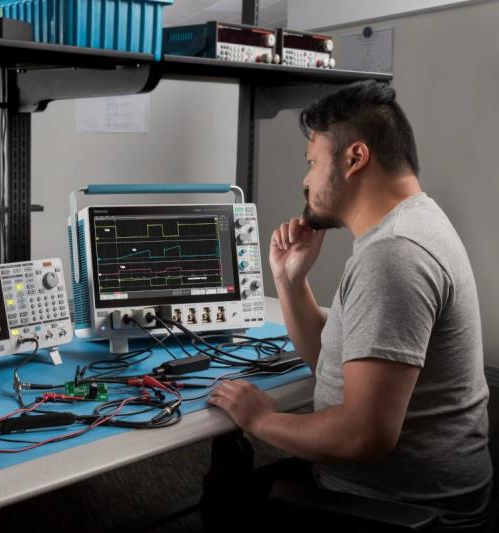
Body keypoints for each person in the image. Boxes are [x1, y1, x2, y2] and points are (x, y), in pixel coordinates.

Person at [202, 80, 492, 531]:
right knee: (233, 481)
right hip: (410, 496)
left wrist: (262, 419)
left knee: (223, 500)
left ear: (355, 158)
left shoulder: (394, 254)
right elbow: (337, 360)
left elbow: (363, 436)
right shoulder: (416, 223)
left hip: (396, 512)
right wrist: (291, 282)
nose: (305, 180)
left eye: (312, 162)